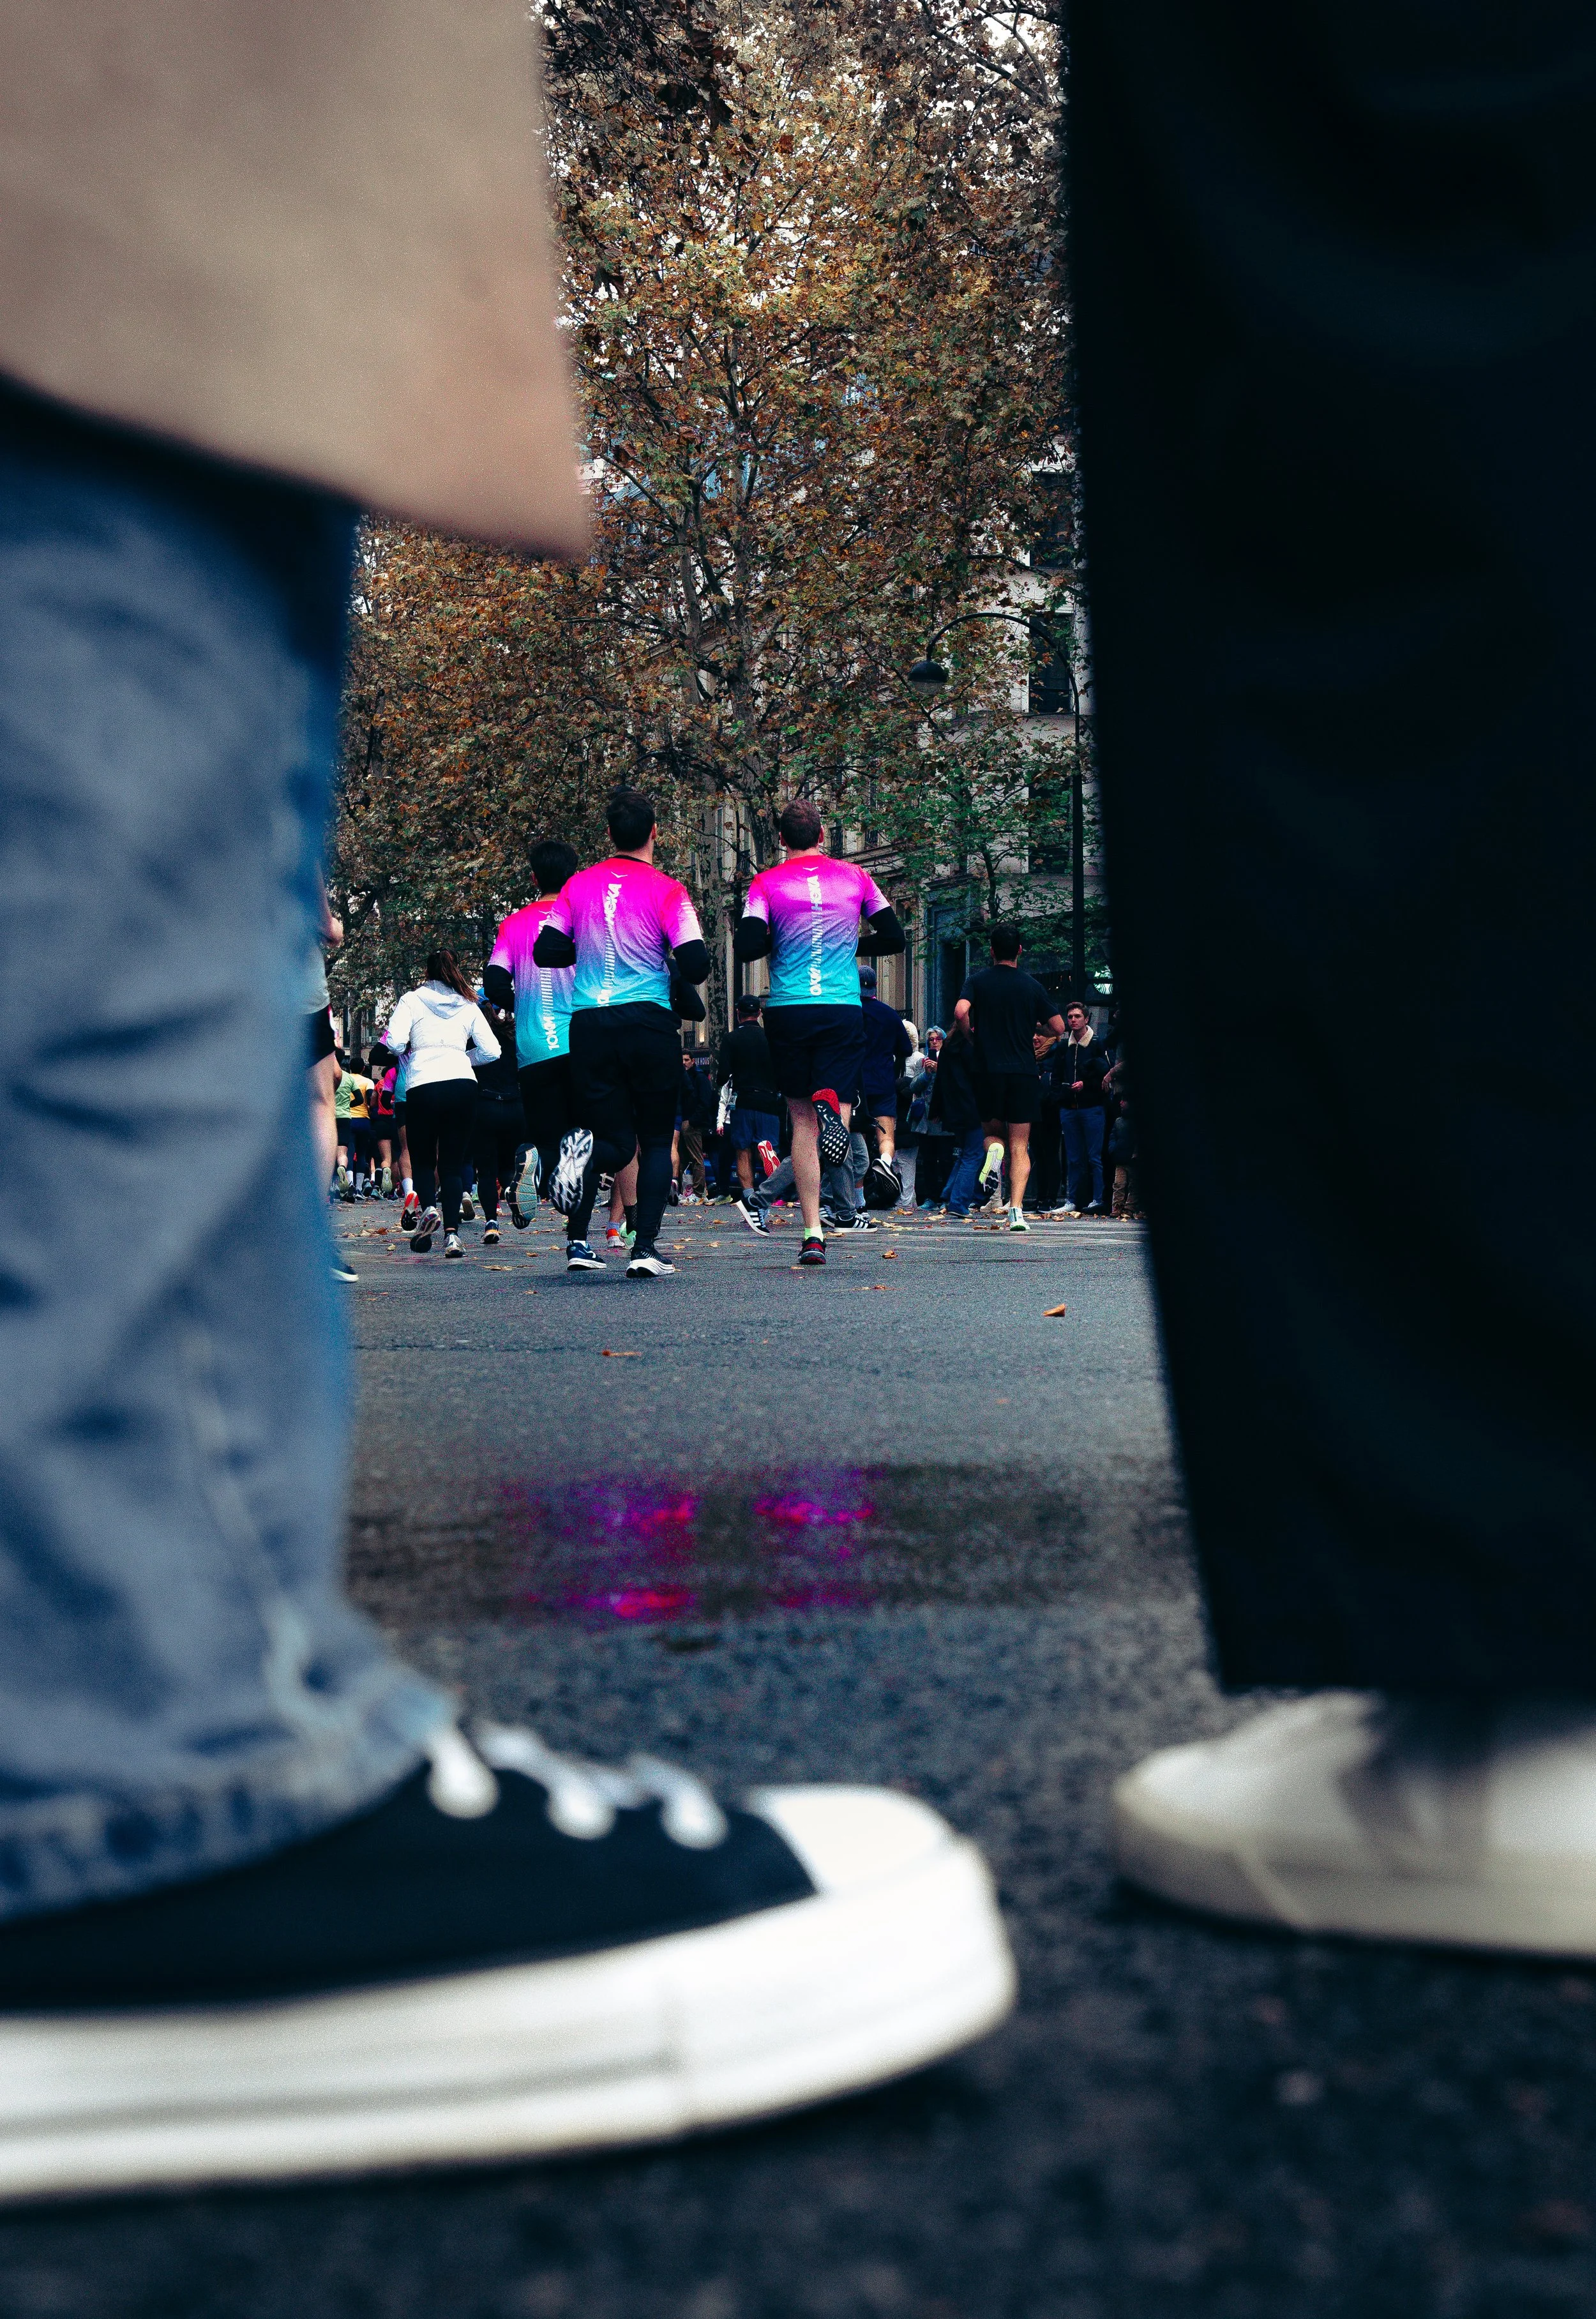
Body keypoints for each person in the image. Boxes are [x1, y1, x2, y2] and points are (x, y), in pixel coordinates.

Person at [532, 789, 711, 1279]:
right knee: (654, 1140)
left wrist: (588, 953)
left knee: (611, 1136)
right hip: (648, 1022)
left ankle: (583, 1156)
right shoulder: (669, 890)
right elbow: (696, 964)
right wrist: (659, 956)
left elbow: (546, 952)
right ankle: (645, 1248)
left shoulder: (575, 887)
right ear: (655, 832)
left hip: (590, 1023)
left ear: (608, 834)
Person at [733, 801, 905, 1269]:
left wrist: (780, 940)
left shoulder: (766, 884)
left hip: (789, 1010)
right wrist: (850, 942)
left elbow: (747, 947)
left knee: (801, 1123)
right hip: (841, 1008)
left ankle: (812, 1233)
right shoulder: (856, 878)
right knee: (837, 1110)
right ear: (824, 834)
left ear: (783, 840)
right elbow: (895, 938)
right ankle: (839, 1121)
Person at [483, 838, 579, 1235]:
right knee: (581, 1132)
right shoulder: (581, 918)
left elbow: (493, 980)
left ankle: (536, 1158)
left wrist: (518, 1000)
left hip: (533, 1041)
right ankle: (579, 1233)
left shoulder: (514, 923)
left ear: (534, 877)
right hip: (578, 1038)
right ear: (573, 876)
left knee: (543, 1125)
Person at [382, 952, 501, 1258]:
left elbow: (393, 1043)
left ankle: (428, 1211)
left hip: (423, 1084)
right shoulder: (469, 1003)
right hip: (463, 1085)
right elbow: (492, 1050)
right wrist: (463, 1059)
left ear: (427, 971)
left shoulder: (411, 1000)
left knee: (423, 1161)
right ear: (455, 970)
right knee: (451, 1163)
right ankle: (452, 1237)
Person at [954, 926, 1069, 1233]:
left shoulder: (977, 981)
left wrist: (970, 1037)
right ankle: (1016, 1211)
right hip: (1022, 1071)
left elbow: (960, 1011)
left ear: (991, 951)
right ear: (1020, 950)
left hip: (987, 1069)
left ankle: (994, 1151)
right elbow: (1058, 1027)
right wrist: (1039, 1032)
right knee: (1021, 1144)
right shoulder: (1032, 986)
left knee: (992, 1133)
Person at [720, 993, 783, 1211]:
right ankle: (770, 1190)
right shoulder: (771, 1039)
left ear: (738, 1014)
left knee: (742, 1149)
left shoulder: (730, 1039)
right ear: (758, 1013)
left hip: (743, 1099)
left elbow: (723, 1076)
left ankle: (748, 1195)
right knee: (769, 1146)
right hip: (768, 1100)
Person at [468, 995, 522, 1246]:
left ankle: (491, 1222)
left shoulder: (474, 1040)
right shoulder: (515, 1035)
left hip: (485, 1105)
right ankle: (513, 1191)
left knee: (486, 1171)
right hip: (514, 1105)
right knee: (508, 1164)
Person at [857, 963, 912, 1207]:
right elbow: (906, 1049)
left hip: (855, 1085)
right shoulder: (890, 1014)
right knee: (886, 1135)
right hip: (883, 1082)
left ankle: (857, 1198)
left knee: (854, 1140)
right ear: (876, 987)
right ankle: (886, 1162)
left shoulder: (849, 1012)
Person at [930, 1018, 990, 1220]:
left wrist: (936, 1110)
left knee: (966, 1153)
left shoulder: (949, 1045)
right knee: (973, 1154)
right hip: (973, 1107)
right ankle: (958, 1201)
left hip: (954, 1108)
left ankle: (949, 1195)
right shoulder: (974, 1045)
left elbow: (941, 1080)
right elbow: (981, 1080)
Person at [1056, 1001, 1111, 1216]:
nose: (1073, 1020)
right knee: (1074, 1157)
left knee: (1094, 1156)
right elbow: (1057, 1075)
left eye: (1077, 1016)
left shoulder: (1097, 1044)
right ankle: (1072, 1199)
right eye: (1070, 1017)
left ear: (1086, 1019)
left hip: (1092, 1107)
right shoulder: (1064, 1047)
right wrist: (1061, 1095)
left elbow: (1105, 1074)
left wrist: (1086, 1085)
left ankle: (1098, 1198)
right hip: (1070, 1108)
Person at [333, 1046, 374, 1200]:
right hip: (349, 1118)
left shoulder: (325, 1076)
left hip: (329, 1117)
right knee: (349, 1153)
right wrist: (347, 1106)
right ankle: (355, 1185)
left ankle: (334, 1185)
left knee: (329, 1152)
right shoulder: (350, 1079)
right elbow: (361, 1099)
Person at [672, 1047, 712, 1204]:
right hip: (683, 1121)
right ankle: (685, 1191)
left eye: (687, 1060)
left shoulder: (700, 1078)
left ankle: (698, 1191)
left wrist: (693, 1121)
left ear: (693, 1061)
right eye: (682, 1060)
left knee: (696, 1158)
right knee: (682, 1158)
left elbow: (705, 1101)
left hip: (691, 1122)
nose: (684, 1063)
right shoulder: (685, 1077)